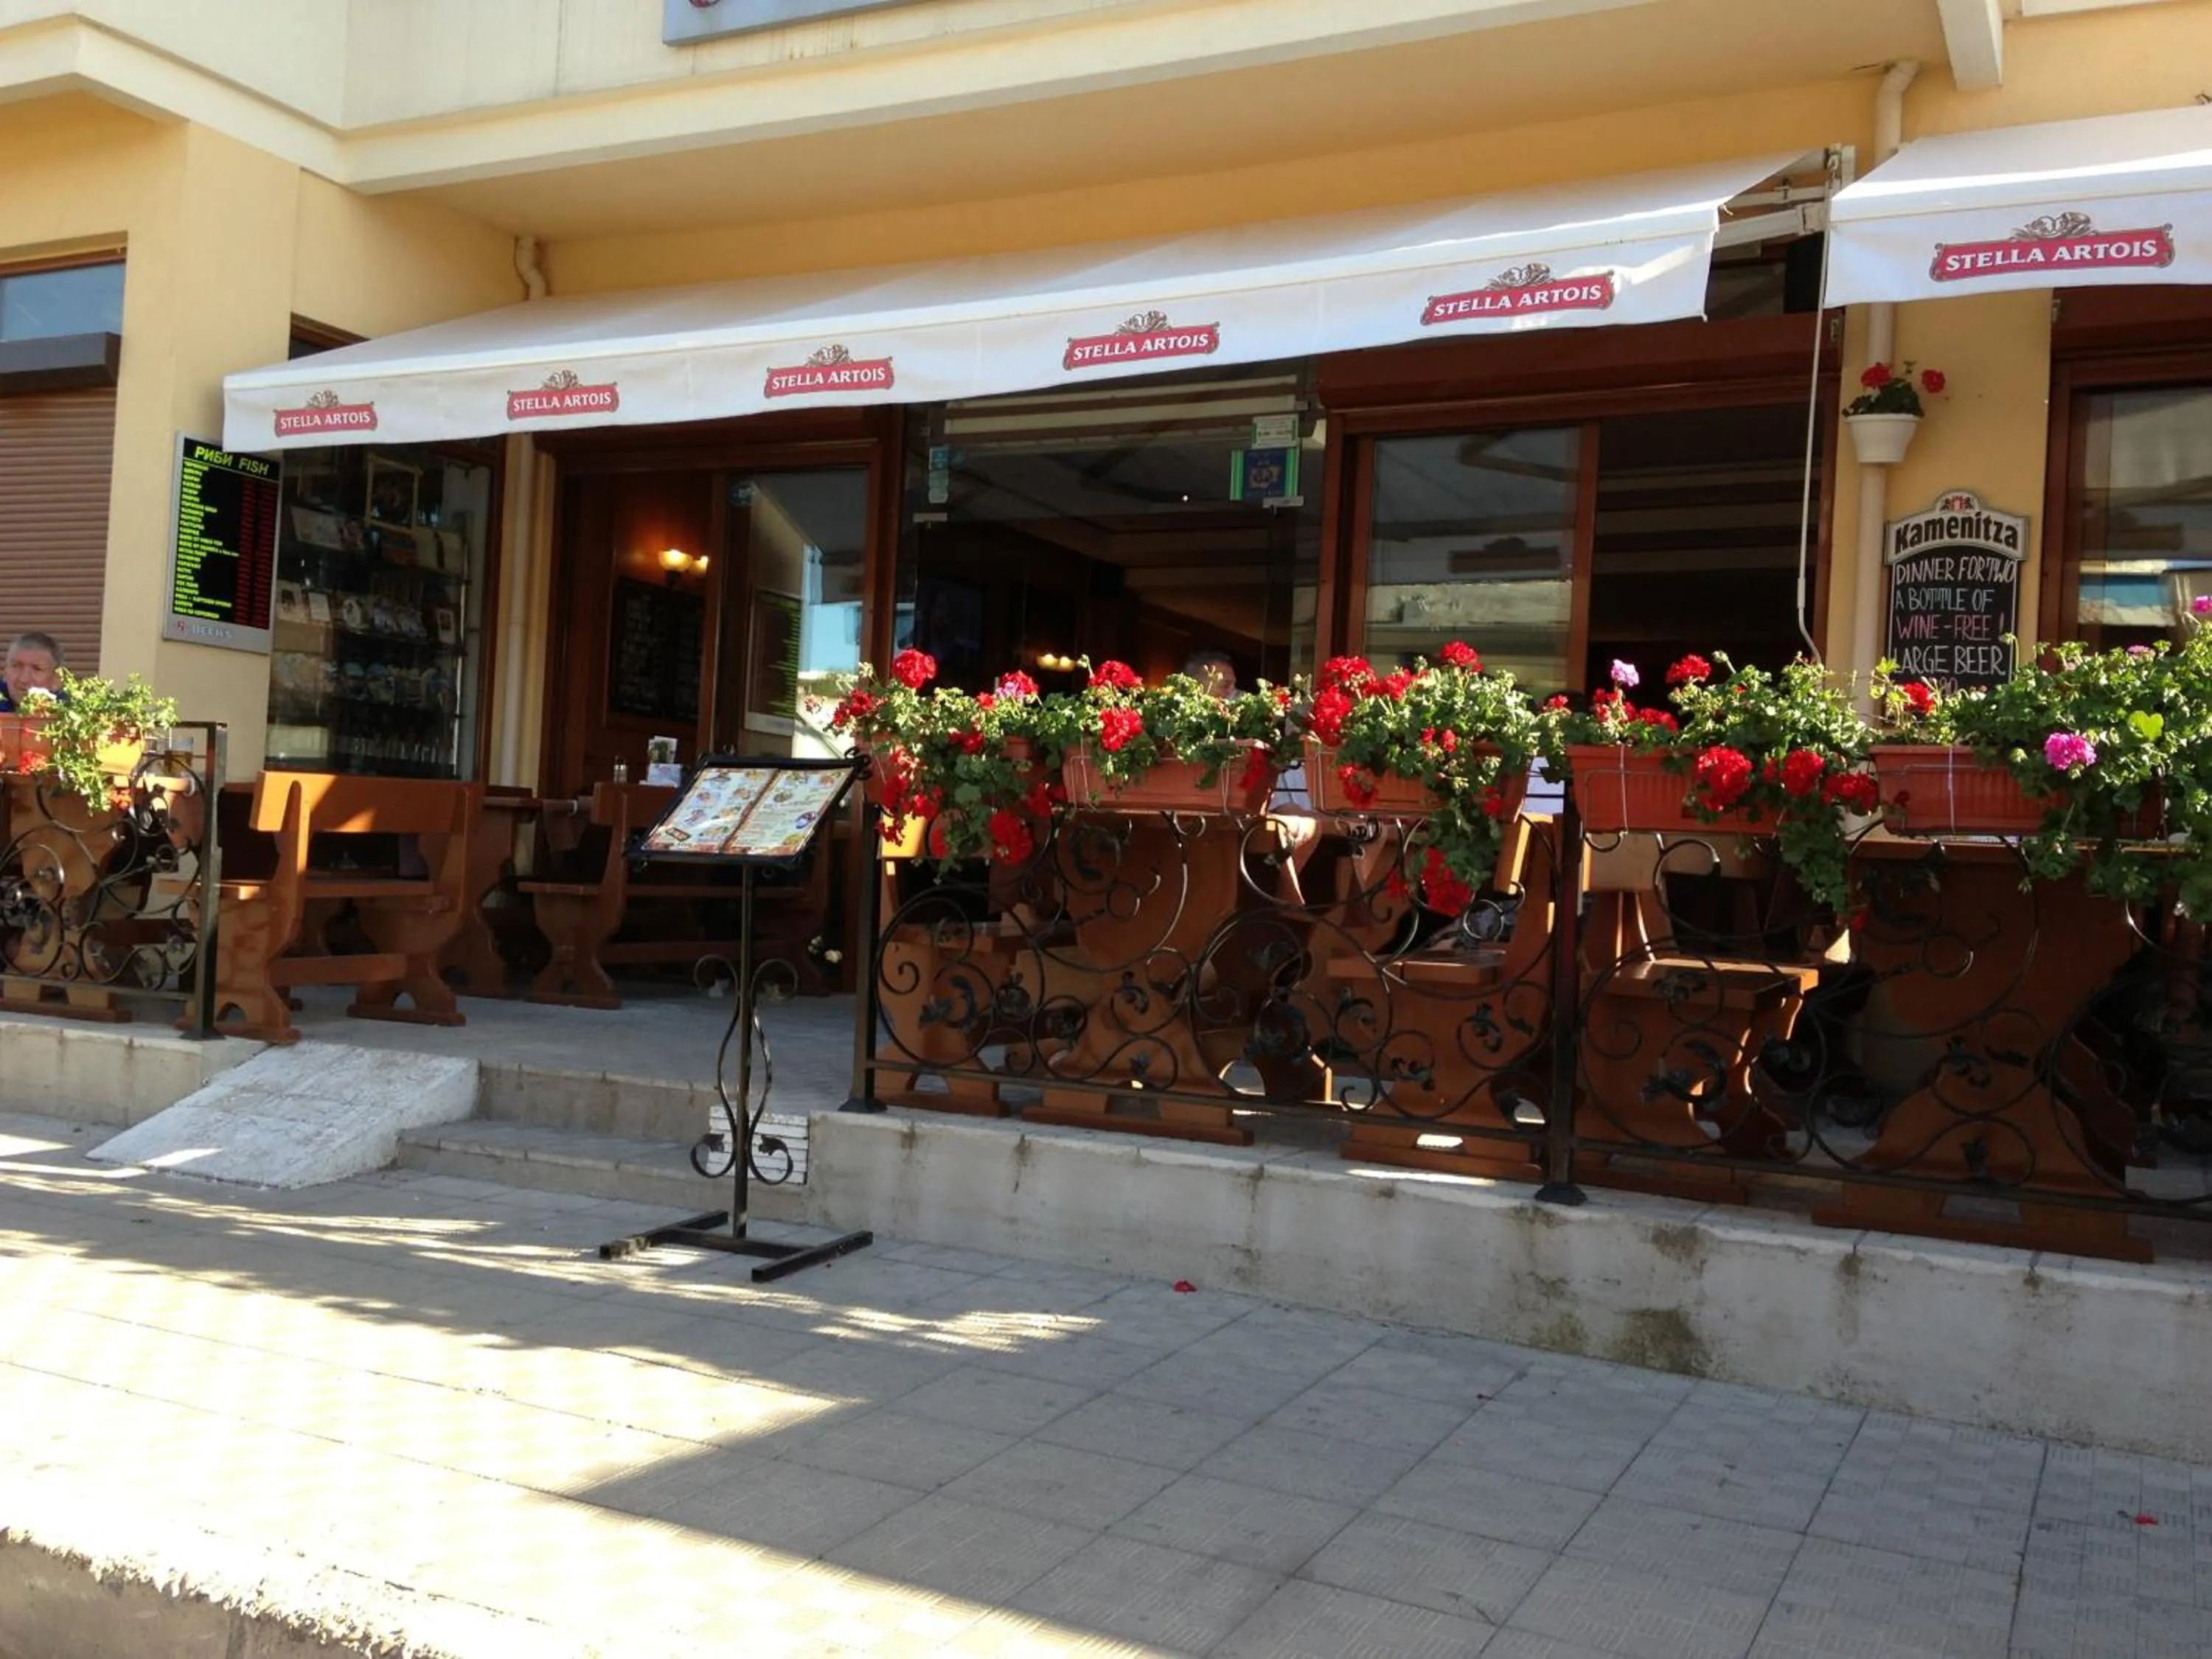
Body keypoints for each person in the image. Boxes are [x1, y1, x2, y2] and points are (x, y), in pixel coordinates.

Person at [0, 632, 65, 712]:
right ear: (6, 672)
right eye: (16, 666)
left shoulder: (70, 712)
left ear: (56, 679)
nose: (24, 679)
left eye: (37, 669)